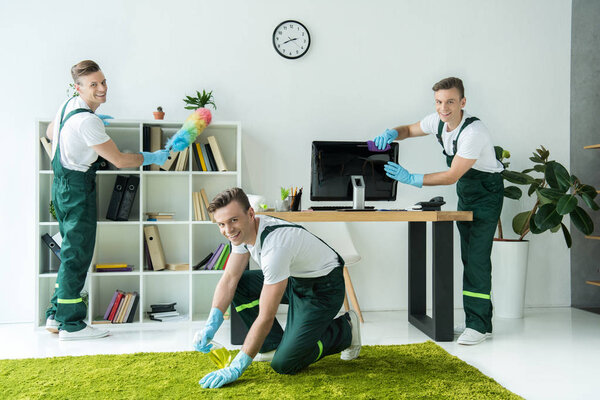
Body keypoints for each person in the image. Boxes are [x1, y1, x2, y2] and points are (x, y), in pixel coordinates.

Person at [372, 77, 503, 345]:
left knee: (477, 260)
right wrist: (392, 133)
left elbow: (452, 175)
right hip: (468, 193)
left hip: (487, 195)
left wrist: (412, 178)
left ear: (462, 102)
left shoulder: (474, 132)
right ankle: (480, 322)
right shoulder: (439, 121)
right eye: (439, 102)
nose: (444, 108)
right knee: (469, 257)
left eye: (450, 102)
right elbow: (409, 129)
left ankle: (477, 326)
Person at [45, 60, 169, 340]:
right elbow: (120, 160)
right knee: (78, 255)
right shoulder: (87, 120)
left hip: (62, 186)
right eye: (93, 85)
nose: (101, 88)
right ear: (79, 87)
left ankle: (55, 316)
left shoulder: (68, 106)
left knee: (69, 253)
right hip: (77, 189)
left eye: (103, 81)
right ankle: (71, 324)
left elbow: (52, 133)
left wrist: (85, 130)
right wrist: (151, 157)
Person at [193, 187, 361, 389]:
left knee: (285, 363)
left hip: (324, 288)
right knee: (239, 285)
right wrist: (211, 325)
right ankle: (272, 345)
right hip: (295, 279)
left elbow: (266, 315)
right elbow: (229, 279)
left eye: (233, 220)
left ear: (250, 214)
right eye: (221, 224)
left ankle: (346, 330)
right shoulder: (240, 233)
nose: (228, 230)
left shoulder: (275, 247)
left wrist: (238, 365)